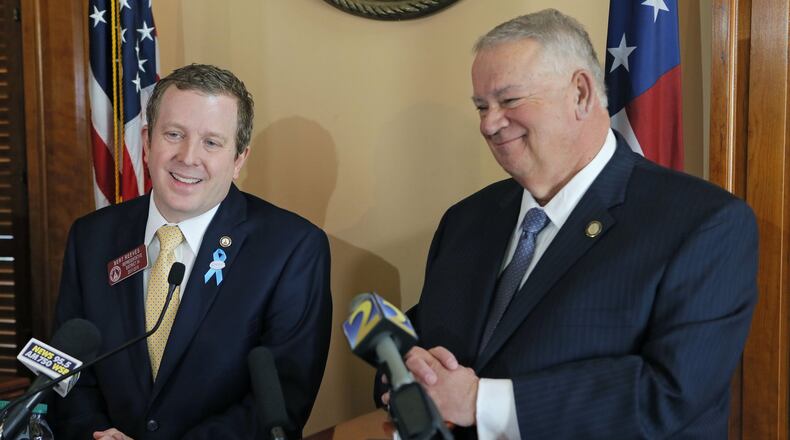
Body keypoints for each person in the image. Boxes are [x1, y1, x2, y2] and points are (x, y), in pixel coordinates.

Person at [384, 9, 758, 439]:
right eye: (481, 106)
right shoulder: (466, 220)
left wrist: (478, 402)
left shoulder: (704, 224)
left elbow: (671, 393)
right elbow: (420, 337)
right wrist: (402, 374)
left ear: (580, 93)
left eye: (509, 101)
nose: (489, 124)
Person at [52, 64, 332, 439]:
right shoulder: (91, 238)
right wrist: (94, 432)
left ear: (238, 159)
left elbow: (281, 401)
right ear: (148, 141)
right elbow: (68, 371)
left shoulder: (292, 250)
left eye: (211, 142)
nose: (187, 156)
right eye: (173, 134)